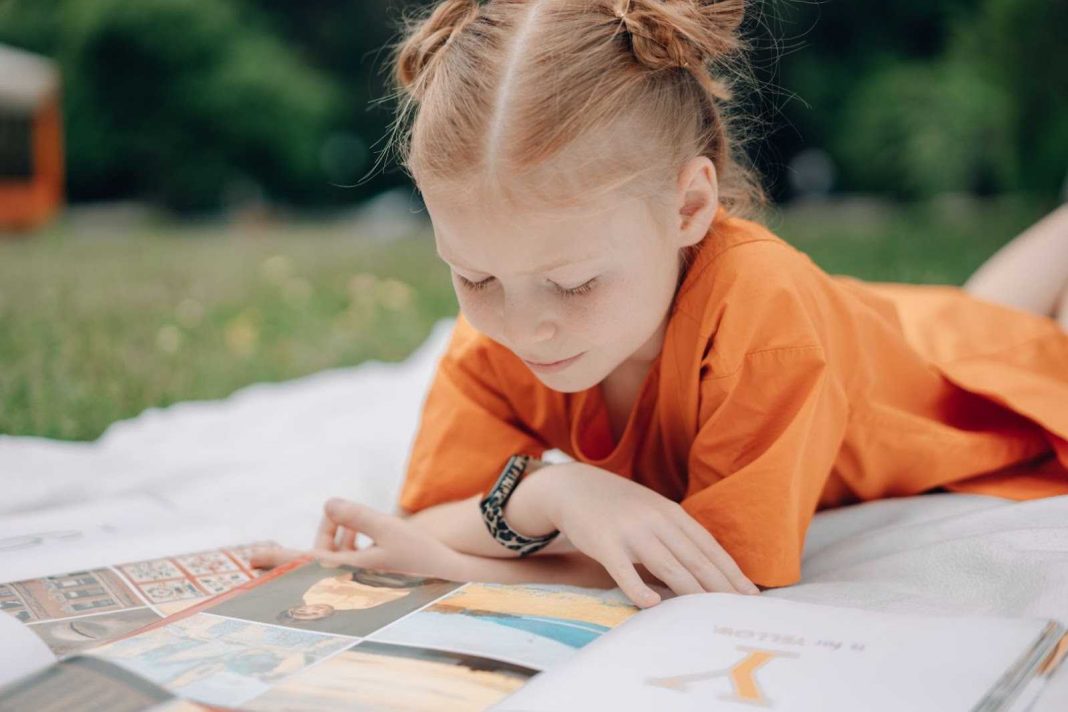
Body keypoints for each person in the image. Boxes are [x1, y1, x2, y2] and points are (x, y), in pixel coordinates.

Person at [252, 0, 1068, 609]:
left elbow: (716, 571)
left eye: (575, 285)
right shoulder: (503, 329)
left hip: (917, 383)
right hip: (877, 325)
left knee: (1009, 343)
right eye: (473, 277)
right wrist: (556, 493)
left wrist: (460, 562)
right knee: (974, 311)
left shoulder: (768, 326)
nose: (524, 324)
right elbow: (431, 511)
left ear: (688, 209)